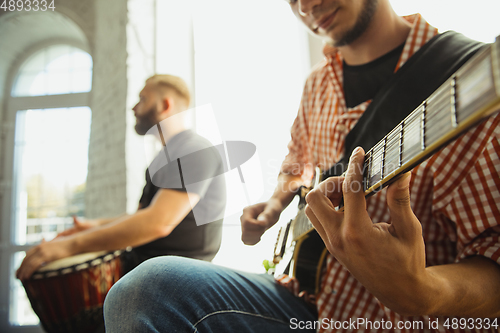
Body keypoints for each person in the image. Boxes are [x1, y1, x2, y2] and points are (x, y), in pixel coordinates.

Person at [103, 1, 500, 332]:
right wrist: (276, 203)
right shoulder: (317, 84)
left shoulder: (467, 77)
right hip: (305, 299)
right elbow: (297, 161)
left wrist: (424, 292)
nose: (306, 6)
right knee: (145, 289)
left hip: (397, 320)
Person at [16, 74, 226, 280]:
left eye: (143, 99)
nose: (134, 107)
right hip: (153, 269)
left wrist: (70, 246)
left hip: (178, 278)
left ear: (165, 105)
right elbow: (145, 214)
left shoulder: (194, 151)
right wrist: (96, 225)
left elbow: (159, 222)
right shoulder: (167, 155)